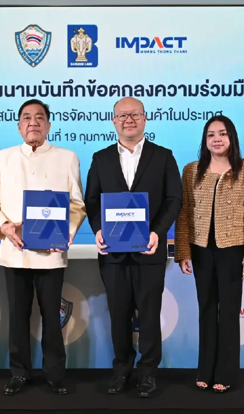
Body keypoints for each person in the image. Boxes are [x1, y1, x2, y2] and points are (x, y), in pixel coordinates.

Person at [0, 98, 86, 396]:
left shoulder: (67, 157)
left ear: (49, 125)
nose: (33, 122)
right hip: (15, 252)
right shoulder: (3, 157)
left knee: (53, 317)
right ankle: (19, 372)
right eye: (27, 117)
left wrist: (66, 233)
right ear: (19, 126)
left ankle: (55, 374)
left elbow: (77, 204)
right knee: (18, 316)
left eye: (40, 117)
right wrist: (3, 226)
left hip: (52, 253)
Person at [84, 97, 182, 398]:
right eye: (122, 115)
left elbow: (174, 200)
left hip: (149, 250)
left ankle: (148, 372)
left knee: (149, 315)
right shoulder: (100, 158)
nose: (129, 119)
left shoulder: (163, 156)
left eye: (135, 114)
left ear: (145, 119)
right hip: (113, 253)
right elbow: (91, 200)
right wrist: (98, 229)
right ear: (114, 121)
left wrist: (157, 232)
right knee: (119, 314)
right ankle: (121, 370)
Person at [174, 115, 244, 393]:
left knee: (228, 312)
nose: (217, 139)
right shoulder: (191, 170)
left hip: (233, 250)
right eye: (211, 134)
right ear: (205, 140)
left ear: (231, 137)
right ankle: (205, 370)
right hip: (201, 250)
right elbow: (183, 213)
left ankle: (225, 373)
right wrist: (183, 251)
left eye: (222, 134)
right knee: (205, 309)